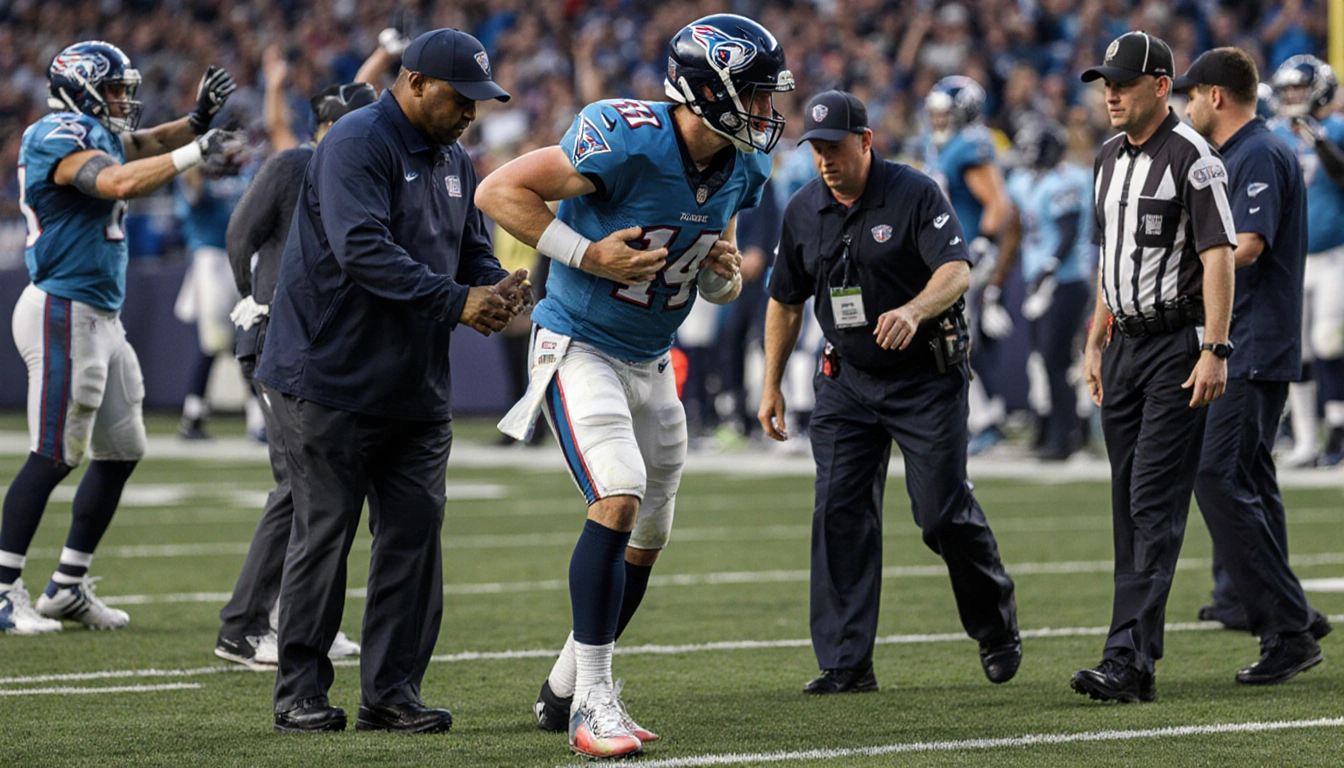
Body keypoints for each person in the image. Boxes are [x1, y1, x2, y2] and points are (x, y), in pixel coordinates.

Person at [477, 14, 791, 758]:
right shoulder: (626, 135)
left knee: (649, 535)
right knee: (617, 494)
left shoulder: (745, 167)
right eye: (754, 95)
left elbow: (720, 271)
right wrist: (587, 254)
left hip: (652, 361)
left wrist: (723, 275)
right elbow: (499, 190)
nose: (767, 112)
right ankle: (595, 703)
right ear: (709, 90)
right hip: (578, 345)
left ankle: (564, 685)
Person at [254, 28, 524, 734]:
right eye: (461, 98)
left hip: (415, 384)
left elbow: (471, 252)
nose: (471, 112)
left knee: (414, 536)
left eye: (479, 101)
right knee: (325, 532)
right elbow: (361, 248)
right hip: (329, 376)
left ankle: (393, 692)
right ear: (414, 84)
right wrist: (457, 301)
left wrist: (496, 287)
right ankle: (301, 693)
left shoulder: (457, 160)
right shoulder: (355, 142)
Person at [759, 90, 1021, 697]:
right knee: (839, 513)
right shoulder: (804, 209)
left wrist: (913, 308)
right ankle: (847, 663)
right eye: (817, 149)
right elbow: (784, 299)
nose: (825, 159)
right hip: (847, 382)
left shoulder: (915, 192)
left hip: (924, 378)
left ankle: (995, 623)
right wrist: (771, 383)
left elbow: (955, 271)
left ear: (866, 140)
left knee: (940, 515)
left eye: (835, 147)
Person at [0, 41, 238, 635]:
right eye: (114, 90)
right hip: (62, 306)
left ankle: (67, 586)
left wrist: (197, 123)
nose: (124, 102)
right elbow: (118, 181)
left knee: (123, 448)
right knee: (54, 452)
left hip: (100, 315)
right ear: (79, 87)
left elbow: (147, 142)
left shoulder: (96, 129)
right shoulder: (54, 134)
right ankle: (3, 589)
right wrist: (194, 154)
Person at [1072, 32, 1237, 703]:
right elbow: (1112, 261)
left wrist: (1214, 348)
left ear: (1161, 86)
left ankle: (1126, 655)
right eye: (1104, 82)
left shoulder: (1193, 157)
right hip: (1126, 345)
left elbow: (1220, 255)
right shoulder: (1108, 158)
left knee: (1152, 500)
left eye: (1123, 81)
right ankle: (1137, 656)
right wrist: (1095, 338)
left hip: (1175, 342)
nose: (1109, 93)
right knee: (1126, 503)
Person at [1174, 47, 1329, 681]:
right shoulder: (1235, 155)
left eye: (1190, 96)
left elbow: (1248, 245)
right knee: (1251, 482)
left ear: (1216, 96)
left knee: (1217, 477)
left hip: (1252, 341)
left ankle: (1288, 627)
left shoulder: (1257, 152)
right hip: (1249, 338)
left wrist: (1182, 269)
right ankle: (1284, 609)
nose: (1185, 108)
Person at [213, 82, 379, 669]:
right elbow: (240, 235)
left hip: (325, 351)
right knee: (298, 486)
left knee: (324, 488)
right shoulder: (298, 165)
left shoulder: (358, 172)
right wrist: (256, 301)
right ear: (332, 128)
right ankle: (243, 626)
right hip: (281, 344)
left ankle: (302, 619)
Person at [921, 75, 1014, 454]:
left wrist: (984, 242)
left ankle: (983, 420)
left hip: (966, 256)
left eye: (944, 113)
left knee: (953, 338)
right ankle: (976, 417)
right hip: (946, 255)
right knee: (948, 339)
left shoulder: (970, 144)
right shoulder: (940, 146)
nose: (937, 120)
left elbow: (998, 201)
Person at [999, 119, 1094, 460]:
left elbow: (1068, 232)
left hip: (1065, 282)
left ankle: (1066, 436)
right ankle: (1051, 432)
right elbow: (1014, 225)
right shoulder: (1025, 181)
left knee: (1056, 361)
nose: (1026, 153)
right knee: (1043, 362)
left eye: (1032, 146)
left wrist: (1050, 268)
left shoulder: (1066, 181)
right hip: (1039, 281)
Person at [1268, 55, 1344, 467]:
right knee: (1297, 350)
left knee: (1329, 339)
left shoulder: (1336, 128)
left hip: (1334, 254)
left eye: (1299, 88)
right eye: (1288, 89)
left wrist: (1317, 139)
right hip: (1293, 261)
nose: (1293, 97)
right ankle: (1305, 439)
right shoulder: (1275, 135)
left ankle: (1337, 430)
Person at [173, 155, 254, 441]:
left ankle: (257, 421)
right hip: (211, 262)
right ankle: (193, 417)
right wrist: (198, 150)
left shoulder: (243, 177)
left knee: (249, 341)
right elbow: (191, 180)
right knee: (216, 343)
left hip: (242, 259)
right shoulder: (198, 181)